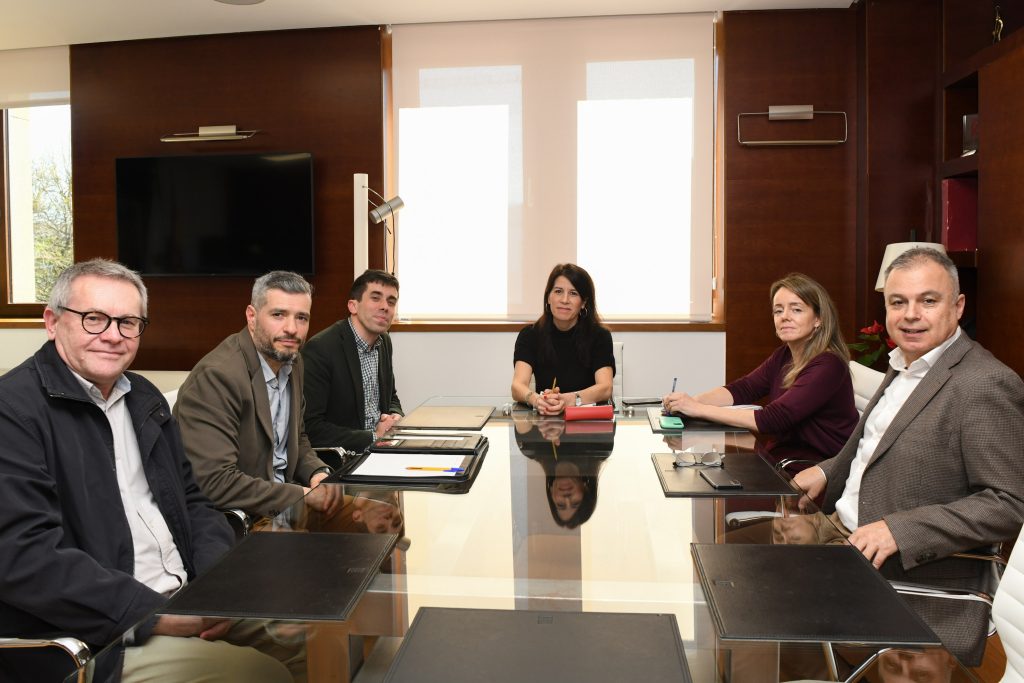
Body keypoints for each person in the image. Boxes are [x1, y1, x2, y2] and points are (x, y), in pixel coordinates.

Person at [0, 259, 291, 682]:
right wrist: (153, 616)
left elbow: (195, 502)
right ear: (52, 321)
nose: (113, 335)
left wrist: (215, 587)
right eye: (94, 319)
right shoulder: (13, 411)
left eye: (128, 322)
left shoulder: (143, 398)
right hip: (98, 639)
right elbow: (25, 558)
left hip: (187, 596)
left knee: (307, 633)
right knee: (263, 674)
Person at [793, 247, 1024, 665]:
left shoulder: (984, 384)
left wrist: (900, 530)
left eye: (928, 300)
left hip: (905, 583)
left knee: (763, 641)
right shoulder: (905, 364)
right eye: (898, 302)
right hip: (838, 540)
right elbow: (879, 445)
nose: (910, 314)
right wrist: (828, 471)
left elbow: (1008, 503)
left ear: (957, 307)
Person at [175, 271, 338, 520]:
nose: (292, 329)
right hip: (243, 520)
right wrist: (302, 496)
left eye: (301, 318)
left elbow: (297, 437)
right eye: (278, 315)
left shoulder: (292, 360)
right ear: (252, 317)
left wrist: (318, 472)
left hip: (287, 507)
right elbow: (215, 482)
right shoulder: (218, 377)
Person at [663, 272, 858, 466]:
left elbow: (772, 419)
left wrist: (697, 409)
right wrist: (688, 403)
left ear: (819, 319)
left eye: (796, 310)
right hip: (783, 455)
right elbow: (744, 389)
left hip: (817, 467)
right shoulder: (784, 355)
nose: (785, 317)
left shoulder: (828, 364)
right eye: (778, 310)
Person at [302, 269, 403, 451]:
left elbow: (391, 396)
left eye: (391, 301)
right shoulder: (320, 348)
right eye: (375, 298)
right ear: (353, 306)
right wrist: (374, 437)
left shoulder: (384, 341)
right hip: (343, 457)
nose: (385, 306)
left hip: (381, 449)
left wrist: (394, 416)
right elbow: (311, 428)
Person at [512, 263, 615, 415]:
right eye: (558, 291)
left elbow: (605, 388)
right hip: (545, 423)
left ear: (584, 302)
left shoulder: (600, 336)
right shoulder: (530, 335)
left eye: (573, 293)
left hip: (588, 424)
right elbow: (517, 386)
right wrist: (536, 400)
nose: (565, 300)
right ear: (548, 297)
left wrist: (571, 399)